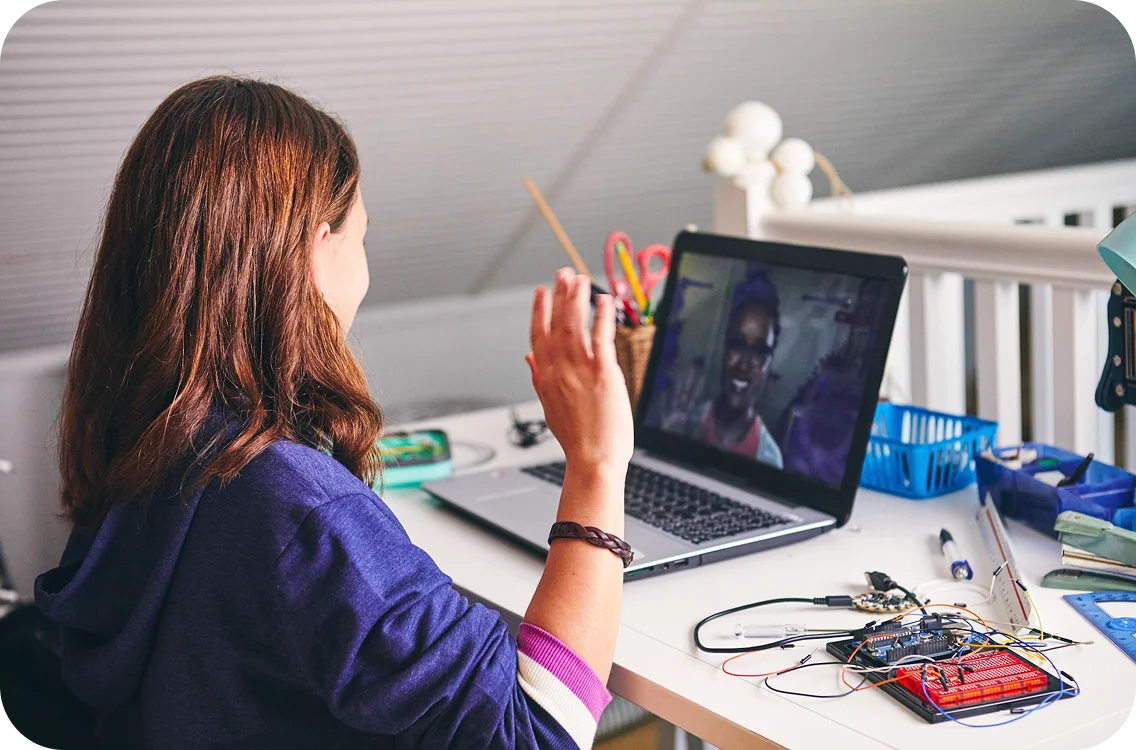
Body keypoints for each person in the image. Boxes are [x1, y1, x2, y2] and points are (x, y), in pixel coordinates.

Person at [33, 76, 633, 749]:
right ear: (315, 252)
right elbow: (539, 735)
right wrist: (596, 462)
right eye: (362, 238)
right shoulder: (299, 508)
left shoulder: (144, 431)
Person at [660, 270, 783, 467]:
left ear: (769, 366)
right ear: (724, 349)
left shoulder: (770, 458)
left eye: (759, 352)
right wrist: (671, 439)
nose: (744, 365)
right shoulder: (688, 420)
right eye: (737, 344)